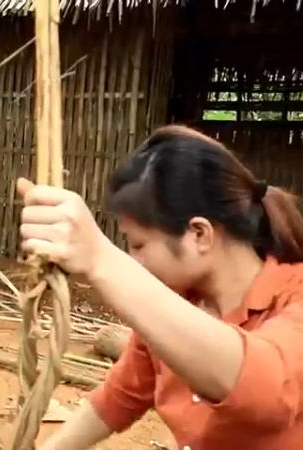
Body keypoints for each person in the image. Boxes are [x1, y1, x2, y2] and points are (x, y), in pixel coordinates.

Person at [17, 125, 303, 449]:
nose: (132, 259)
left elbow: (264, 390)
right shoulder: (176, 305)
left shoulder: (295, 296)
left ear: (199, 234)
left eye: (138, 245)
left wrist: (101, 258)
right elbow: (120, 395)